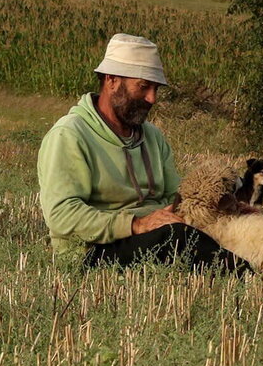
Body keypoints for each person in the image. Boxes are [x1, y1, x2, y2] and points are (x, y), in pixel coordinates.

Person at [37, 33, 249, 271]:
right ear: (112, 80)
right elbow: (61, 216)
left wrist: (222, 208)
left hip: (155, 236)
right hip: (92, 251)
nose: (152, 98)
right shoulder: (69, 135)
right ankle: (251, 275)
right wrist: (136, 225)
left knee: (232, 228)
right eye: (143, 87)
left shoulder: (153, 137)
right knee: (176, 238)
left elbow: (173, 198)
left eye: (156, 89)